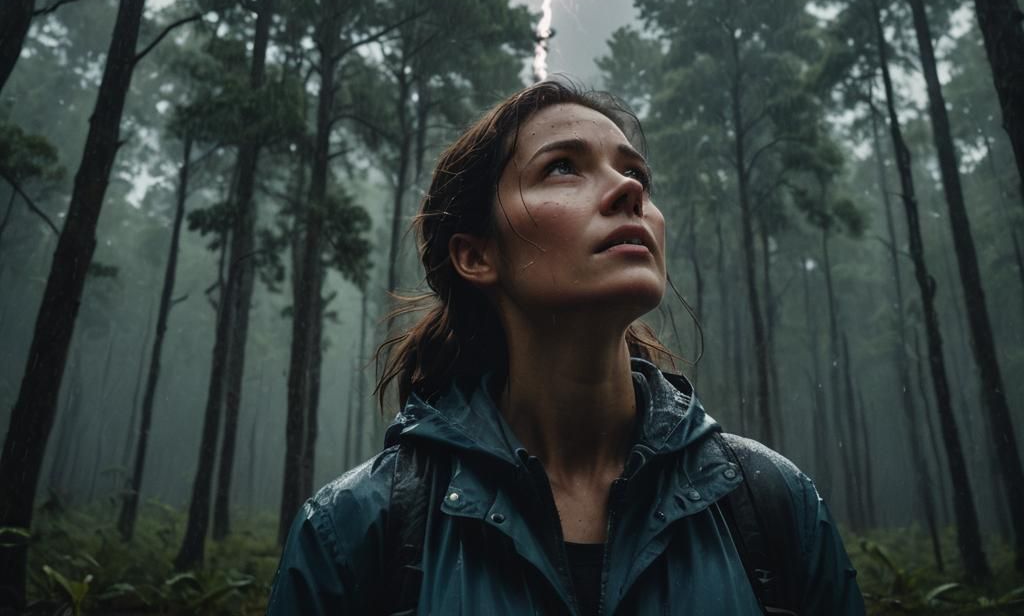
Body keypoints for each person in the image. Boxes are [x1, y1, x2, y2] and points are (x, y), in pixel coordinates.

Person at [266, 79, 865, 615]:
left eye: (637, 174)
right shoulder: (354, 531)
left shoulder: (771, 504)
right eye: (562, 168)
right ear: (477, 255)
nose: (629, 191)